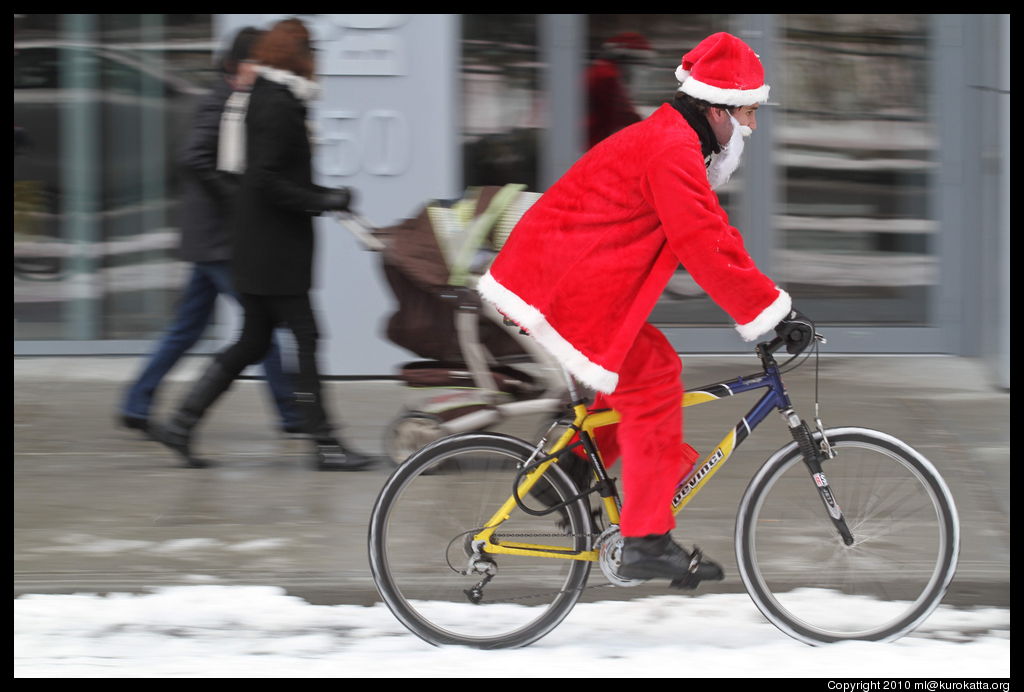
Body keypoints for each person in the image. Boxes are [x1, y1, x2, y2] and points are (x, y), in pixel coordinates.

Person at [477, 32, 812, 586]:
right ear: (715, 107)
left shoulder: (675, 142)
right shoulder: (671, 150)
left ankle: (566, 473)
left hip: (563, 278)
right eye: (747, 112)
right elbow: (702, 240)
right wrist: (769, 315)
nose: (750, 126)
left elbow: (712, 232)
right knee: (654, 380)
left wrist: (764, 304)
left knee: (642, 371)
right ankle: (647, 540)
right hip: (562, 285)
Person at [150, 18, 370, 471]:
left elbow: (267, 176)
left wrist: (320, 198)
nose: (318, 63)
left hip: (261, 246)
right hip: (273, 250)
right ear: (299, 55)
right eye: (313, 53)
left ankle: (182, 423)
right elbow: (266, 180)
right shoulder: (278, 104)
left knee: (252, 341)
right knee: (307, 336)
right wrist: (324, 199)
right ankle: (325, 442)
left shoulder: (270, 98)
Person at [119, 27, 303, 437]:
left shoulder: (240, 101)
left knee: (188, 328)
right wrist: (237, 204)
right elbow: (193, 158)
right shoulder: (219, 103)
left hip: (213, 238)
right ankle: (292, 414)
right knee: (263, 324)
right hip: (219, 240)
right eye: (260, 61)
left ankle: (136, 401)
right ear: (238, 65)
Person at [585, 31, 652, 149]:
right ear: (625, 59)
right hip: (585, 143)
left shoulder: (600, 70)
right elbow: (624, 112)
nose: (638, 71)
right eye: (637, 63)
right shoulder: (606, 75)